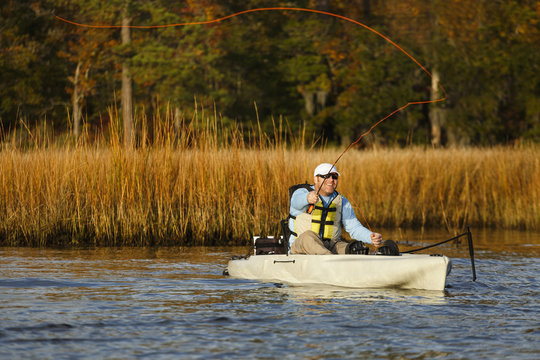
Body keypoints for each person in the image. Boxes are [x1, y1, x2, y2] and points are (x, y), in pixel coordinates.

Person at [287, 163, 383, 254]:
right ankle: (331, 260)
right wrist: (307, 198)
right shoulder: (301, 193)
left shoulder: (342, 201)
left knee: (354, 248)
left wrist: (370, 237)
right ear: (316, 179)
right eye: (326, 176)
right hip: (301, 247)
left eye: (334, 177)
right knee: (308, 236)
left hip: (330, 246)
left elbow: (354, 228)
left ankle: (359, 257)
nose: (331, 180)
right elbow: (296, 202)